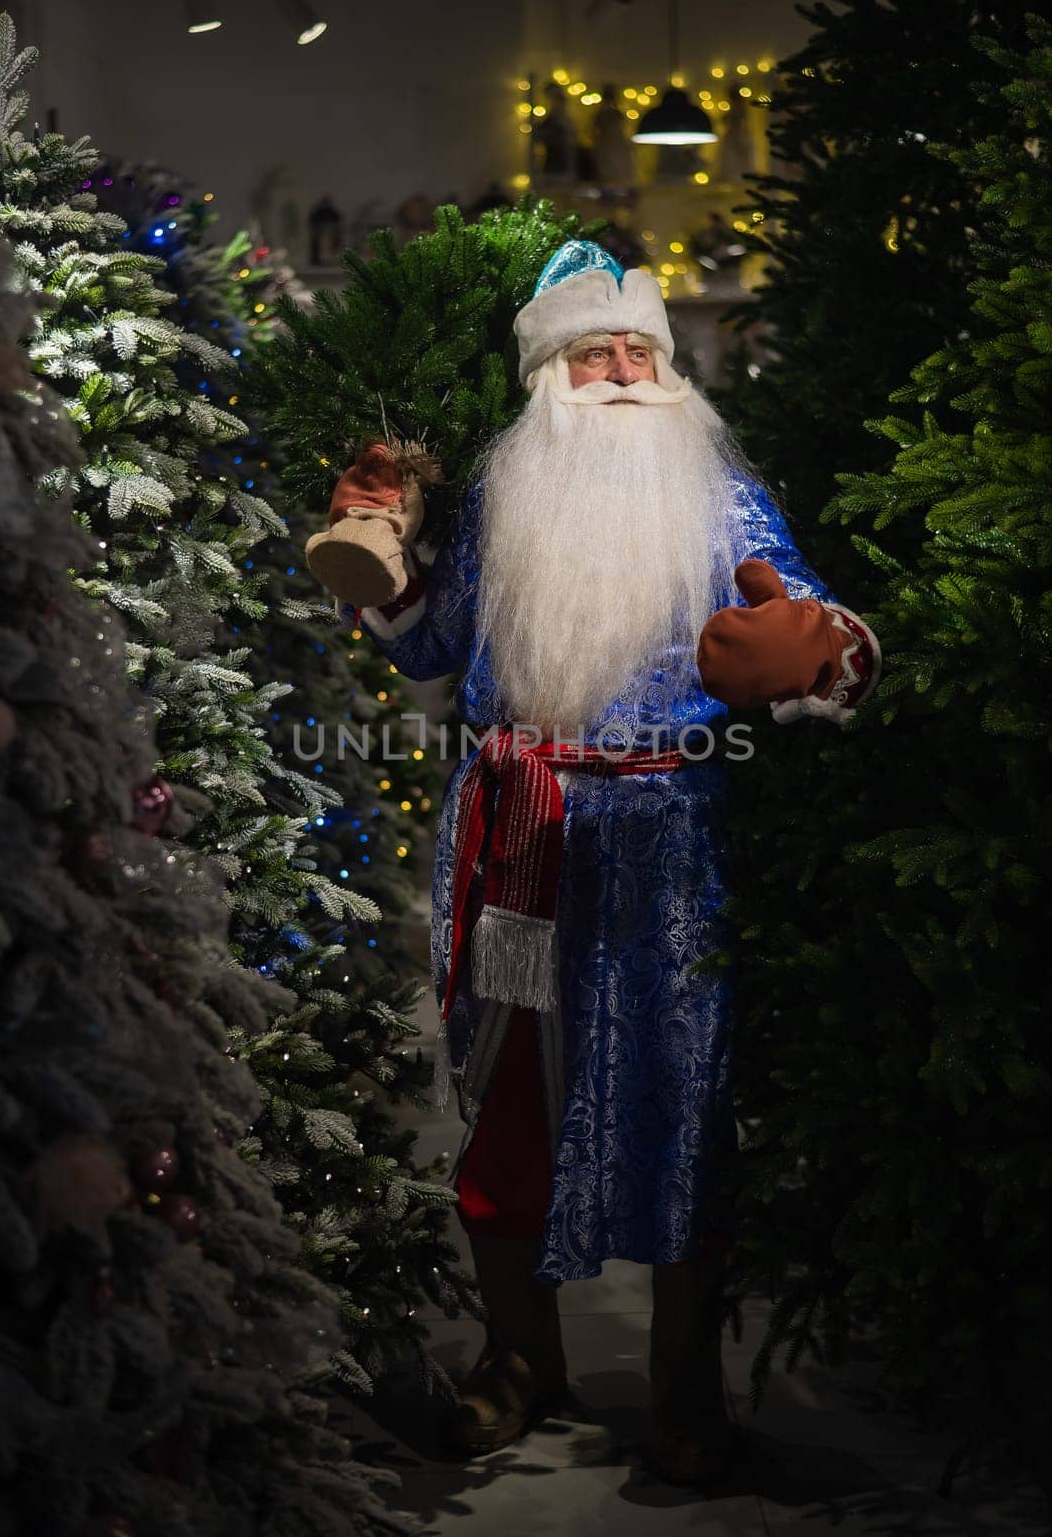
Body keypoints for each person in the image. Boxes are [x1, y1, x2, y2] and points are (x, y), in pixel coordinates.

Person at [319, 241, 881, 1484]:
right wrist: (382, 557)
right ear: (548, 378)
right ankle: (522, 1356)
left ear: (672, 372)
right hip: (519, 836)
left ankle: (687, 1384)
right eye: (594, 352)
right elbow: (431, 647)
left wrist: (815, 652)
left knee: (687, 1102)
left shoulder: (724, 503)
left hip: (673, 844)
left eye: (639, 351)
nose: (623, 372)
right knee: (512, 1087)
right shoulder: (497, 500)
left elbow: (817, 623)